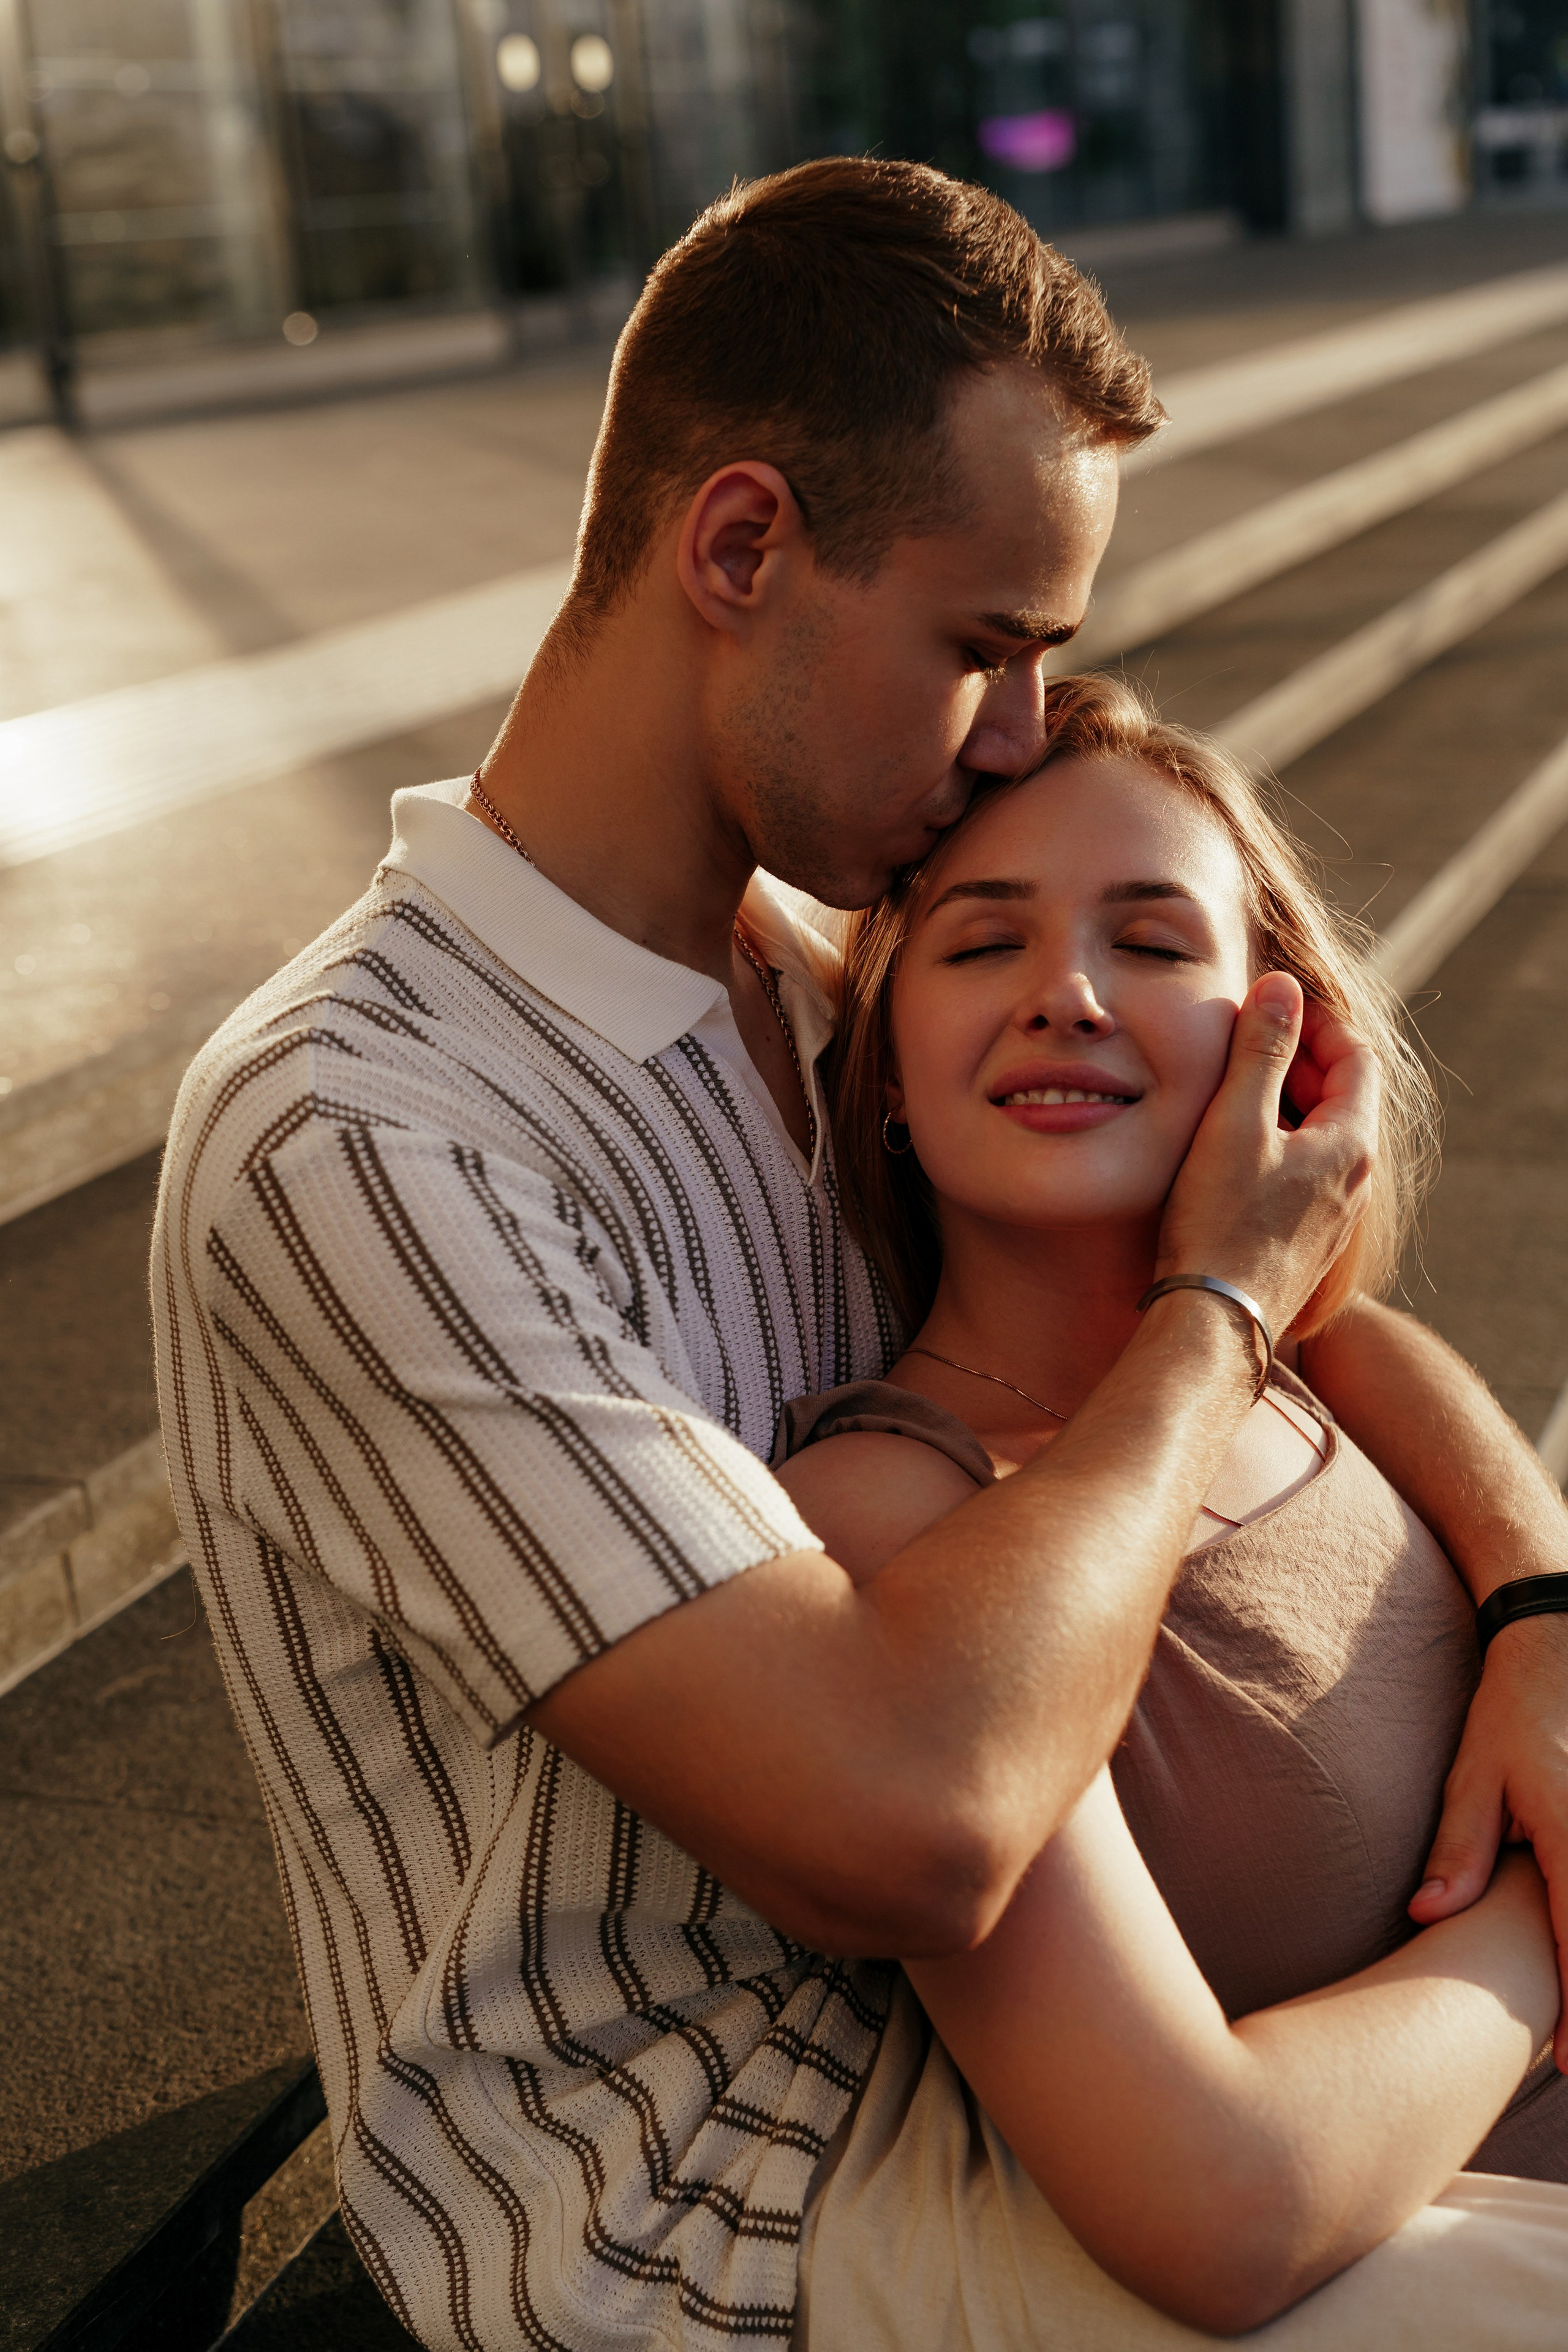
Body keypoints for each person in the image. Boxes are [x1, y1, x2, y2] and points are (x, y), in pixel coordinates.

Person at [151, 157, 1568, 2350]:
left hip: (1014, 2074)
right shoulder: (368, 1131)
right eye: (982, 649)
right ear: (738, 547)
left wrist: (1541, 1596)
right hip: (695, 2219)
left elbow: (1348, 1337)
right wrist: (1203, 1310)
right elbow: (913, 1826)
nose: (1017, 739)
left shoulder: (839, 976)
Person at [771, 671, 1568, 2343]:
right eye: (983, 945)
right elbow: (1222, 2207)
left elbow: (1366, 1341)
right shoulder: (883, 1512)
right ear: (893, 1074)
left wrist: (1544, 1608)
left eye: (1151, 942)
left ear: (1292, 1037)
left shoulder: (1323, 1369)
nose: (1065, 992)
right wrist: (1541, 1927)